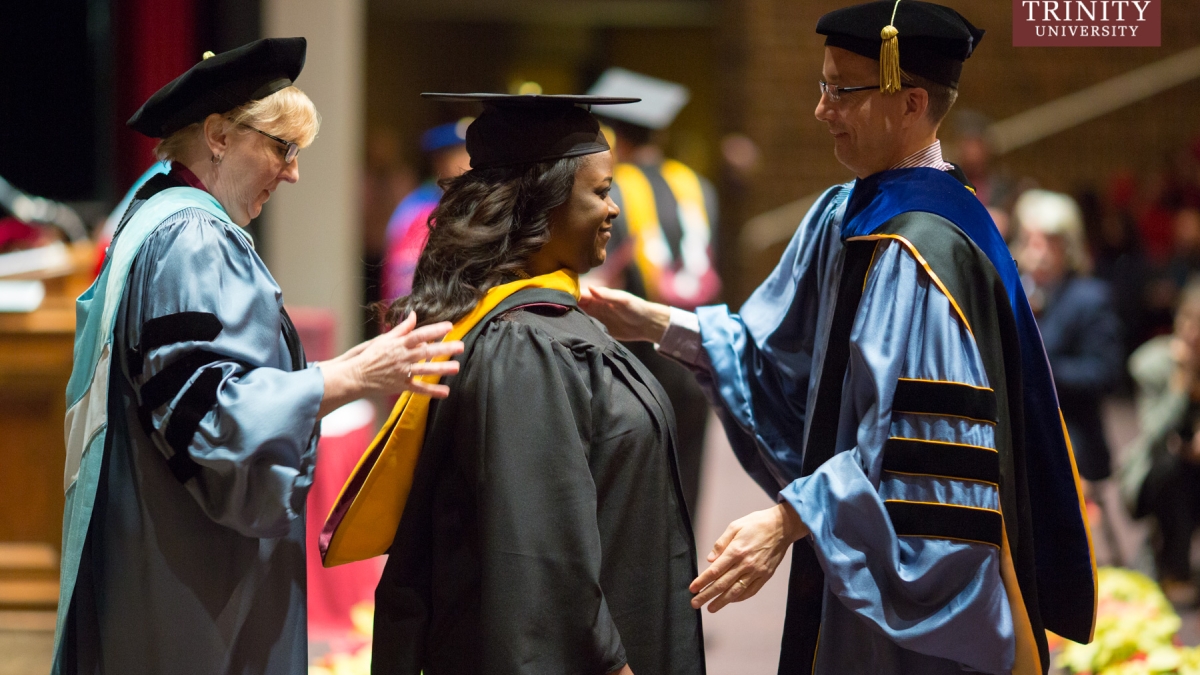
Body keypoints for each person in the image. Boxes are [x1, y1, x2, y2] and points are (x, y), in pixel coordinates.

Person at [581, 2, 1096, 673]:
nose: (822, 110)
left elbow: (921, 461)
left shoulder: (929, 251)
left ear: (911, 102)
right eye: (820, 87)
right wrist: (654, 321)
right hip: (849, 558)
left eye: (840, 90)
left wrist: (788, 520)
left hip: (904, 603)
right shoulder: (845, 213)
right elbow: (773, 348)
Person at [55, 38, 463, 675]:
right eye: (282, 147)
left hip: (156, 553)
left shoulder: (149, 213)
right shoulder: (192, 236)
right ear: (218, 134)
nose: (294, 172)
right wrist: (354, 373)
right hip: (196, 578)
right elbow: (211, 417)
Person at [321, 93, 705, 674]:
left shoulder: (542, 325)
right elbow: (542, 555)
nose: (615, 209)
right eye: (600, 192)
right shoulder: (524, 347)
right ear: (542, 205)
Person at [587, 68, 720, 518]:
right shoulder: (699, 188)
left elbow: (604, 279)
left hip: (640, 354)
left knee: (637, 489)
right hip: (695, 347)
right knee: (687, 484)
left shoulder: (612, 191)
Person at [1014, 189, 1123, 484]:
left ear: (1069, 248)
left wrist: (1043, 370)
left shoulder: (1090, 298)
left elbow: (1105, 373)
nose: (1038, 252)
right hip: (1021, 427)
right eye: (1031, 241)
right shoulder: (1016, 293)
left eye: (1050, 242)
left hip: (1071, 430)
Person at [1122, 280, 1200, 605]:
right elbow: (1154, 433)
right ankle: (1174, 568)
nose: (1194, 334)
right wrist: (1182, 383)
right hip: (1157, 474)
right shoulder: (1151, 363)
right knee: (1173, 469)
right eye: (1190, 321)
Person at [380, 119, 472, 304]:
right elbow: (403, 283)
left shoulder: (482, 203)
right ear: (440, 161)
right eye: (459, 154)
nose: (469, 162)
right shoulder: (417, 210)